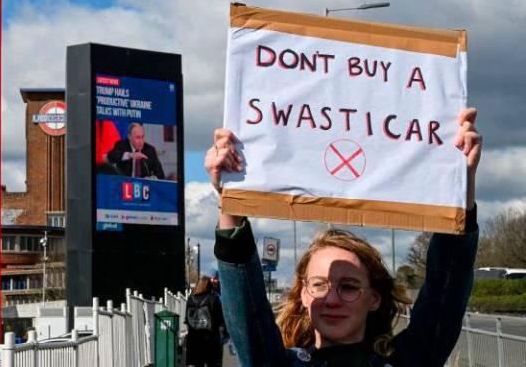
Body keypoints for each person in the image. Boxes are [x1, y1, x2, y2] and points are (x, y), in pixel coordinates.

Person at [204, 108, 482, 366]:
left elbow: (447, 282)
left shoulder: (408, 359)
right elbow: (246, 306)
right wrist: (231, 196)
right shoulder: (277, 363)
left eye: (348, 287)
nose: (332, 299)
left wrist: (460, 183)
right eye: (319, 285)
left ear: (374, 298)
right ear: (303, 294)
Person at [186, 276, 226, 367]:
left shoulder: (190, 298)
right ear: (210, 286)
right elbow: (220, 318)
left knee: (197, 364)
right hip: (211, 338)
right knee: (213, 363)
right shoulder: (214, 298)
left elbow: (187, 319)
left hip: (194, 338)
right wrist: (224, 333)